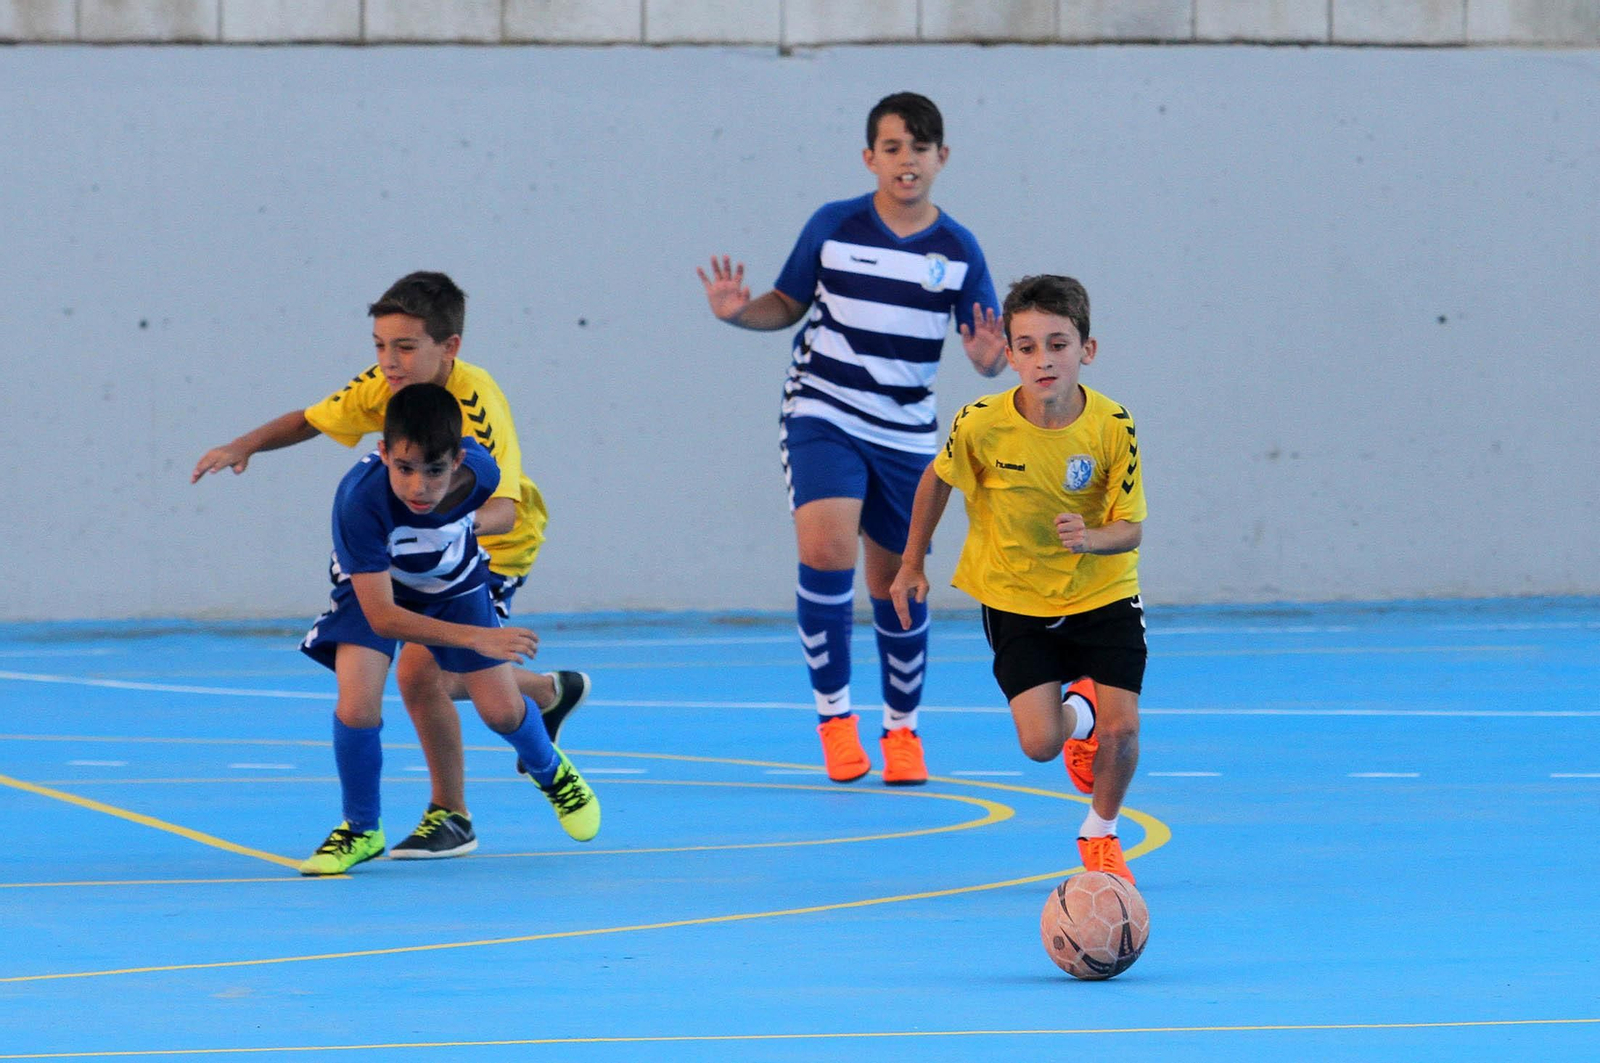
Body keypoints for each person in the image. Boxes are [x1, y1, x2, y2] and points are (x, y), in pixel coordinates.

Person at [192, 271, 588, 859]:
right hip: (403, 549)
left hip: (486, 548)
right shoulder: (384, 393)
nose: (388, 361)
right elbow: (312, 418)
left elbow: (504, 510)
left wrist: (441, 528)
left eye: (404, 347)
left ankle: (470, 793)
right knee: (405, 681)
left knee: (423, 677)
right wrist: (244, 444)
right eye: (380, 345)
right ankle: (530, 712)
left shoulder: (476, 407)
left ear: (449, 347)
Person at [698, 92, 1006, 786]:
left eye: (920, 148)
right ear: (870, 157)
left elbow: (985, 348)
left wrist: (989, 359)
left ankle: (902, 729)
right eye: (892, 148)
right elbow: (787, 302)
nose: (906, 160)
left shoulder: (958, 250)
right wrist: (740, 312)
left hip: (908, 433)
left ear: (942, 158)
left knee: (897, 581)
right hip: (824, 411)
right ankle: (835, 720)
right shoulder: (833, 227)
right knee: (826, 549)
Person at [889, 275, 1147, 882]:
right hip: (1015, 596)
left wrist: (1090, 538)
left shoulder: (1113, 425)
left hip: (1102, 590)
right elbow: (938, 480)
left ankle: (1100, 832)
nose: (1043, 360)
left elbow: (1131, 528)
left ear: (1087, 350)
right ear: (1009, 355)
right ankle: (1080, 713)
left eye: (1058, 344)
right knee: (1040, 744)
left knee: (1124, 728)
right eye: (1027, 347)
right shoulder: (981, 423)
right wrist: (911, 562)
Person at [296, 383, 598, 875]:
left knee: (501, 712)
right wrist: (478, 638)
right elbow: (383, 617)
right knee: (356, 704)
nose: (419, 486)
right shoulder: (358, 502)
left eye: (434, 471)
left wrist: (459, 527)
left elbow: (505, 514)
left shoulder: (481, 471)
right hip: (377, 592)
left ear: (458, 460)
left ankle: (552, 772)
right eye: (404, 468)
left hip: (456, 588)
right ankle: (361, 828)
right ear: (383, 453)